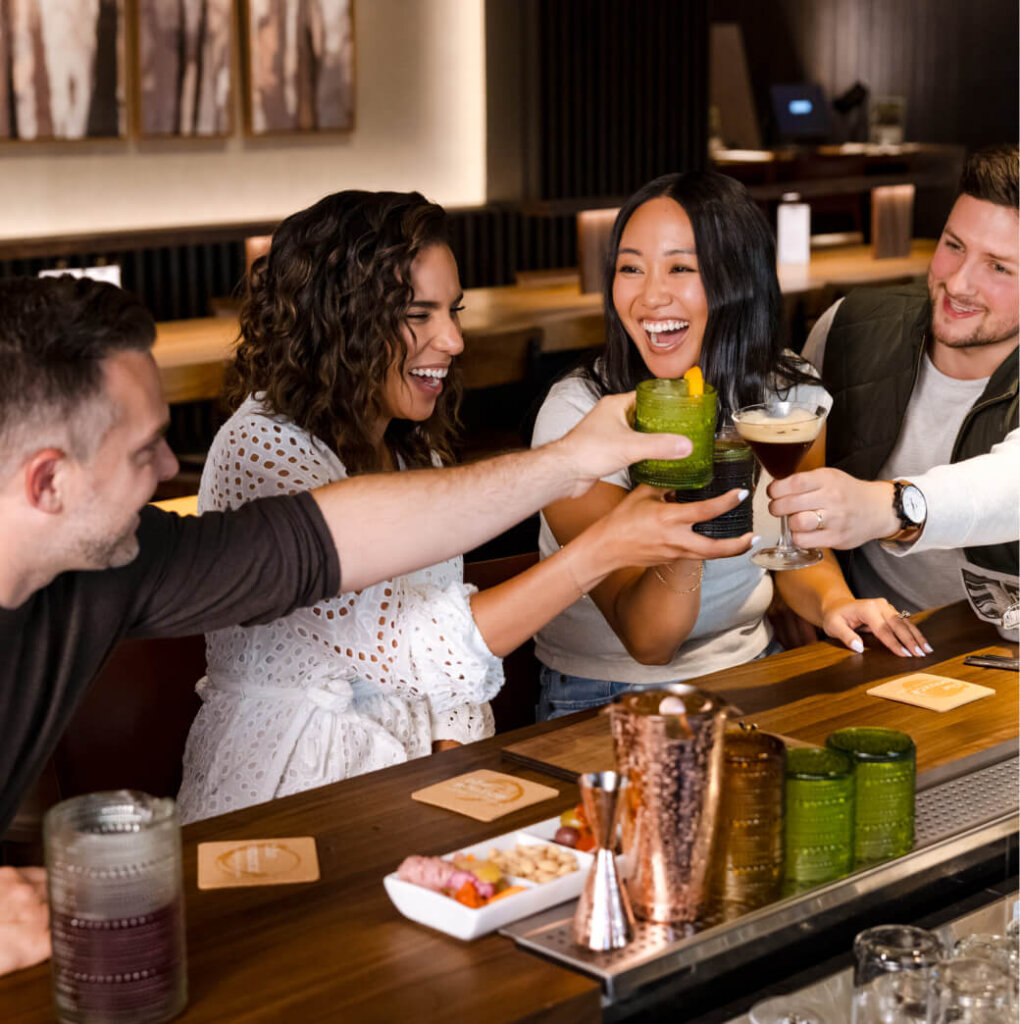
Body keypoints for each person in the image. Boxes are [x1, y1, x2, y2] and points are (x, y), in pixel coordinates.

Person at [0, 273, 695, 974]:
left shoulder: (117, 562)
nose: (164, 472)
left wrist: (566, 462)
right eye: (146, 448)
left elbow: (332, 536)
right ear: (47, 482)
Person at [176, 190, 754, 822]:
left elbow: (446, 683)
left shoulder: (409, 452)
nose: (452, 340)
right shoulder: (262, 448)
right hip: (285, 798)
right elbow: (417, 646)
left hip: (414, 787)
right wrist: (601, 548)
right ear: (335, 321)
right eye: (418, 315)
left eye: (452, 311)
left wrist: (458, 795)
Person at [531, 171, 931, 719]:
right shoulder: (577, 417)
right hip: (605, 696)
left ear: (736, 279)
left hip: (753, 666)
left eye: (681, 267)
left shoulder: (787, 394)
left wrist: (837, 603)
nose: (650, 296)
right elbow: (650, 641)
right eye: (630, 268)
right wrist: (687, 473)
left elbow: (790, 544)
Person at [768, 144, 1019, 614]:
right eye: (953, 246)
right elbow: (787, 494)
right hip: (865, 640)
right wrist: (802, 600)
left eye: (999, 267)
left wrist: (890, 507)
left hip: (997, 648)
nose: (959, 283)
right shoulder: (849, 326)